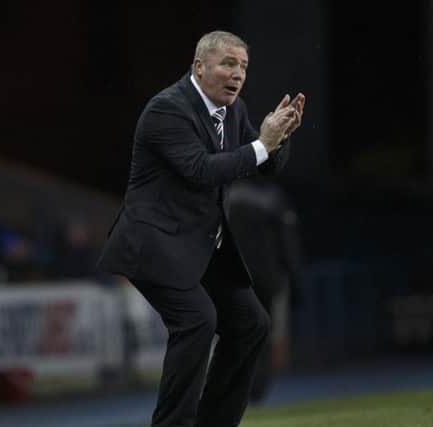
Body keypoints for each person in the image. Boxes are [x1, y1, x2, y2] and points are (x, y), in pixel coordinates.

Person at [97, 30, 305, 427]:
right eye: (228, 63)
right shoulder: (167, 110)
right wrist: (263, 144)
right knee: (196, 320)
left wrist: (281, 136)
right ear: (198, 66)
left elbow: (265, 166)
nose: (238, 73)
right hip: (153, 243)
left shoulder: (234, 110)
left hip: (198, 244)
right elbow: (201, 171)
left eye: (243, 66)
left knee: (251, 324)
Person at [227, 177, 304, 402]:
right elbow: (288, 243)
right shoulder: (273, 197)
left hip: (234, 277)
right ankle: (256, 388)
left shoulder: (228, 194)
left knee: (235, 333)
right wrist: (295, 281)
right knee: (262, 333)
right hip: (266, 277)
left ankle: (237, 387)